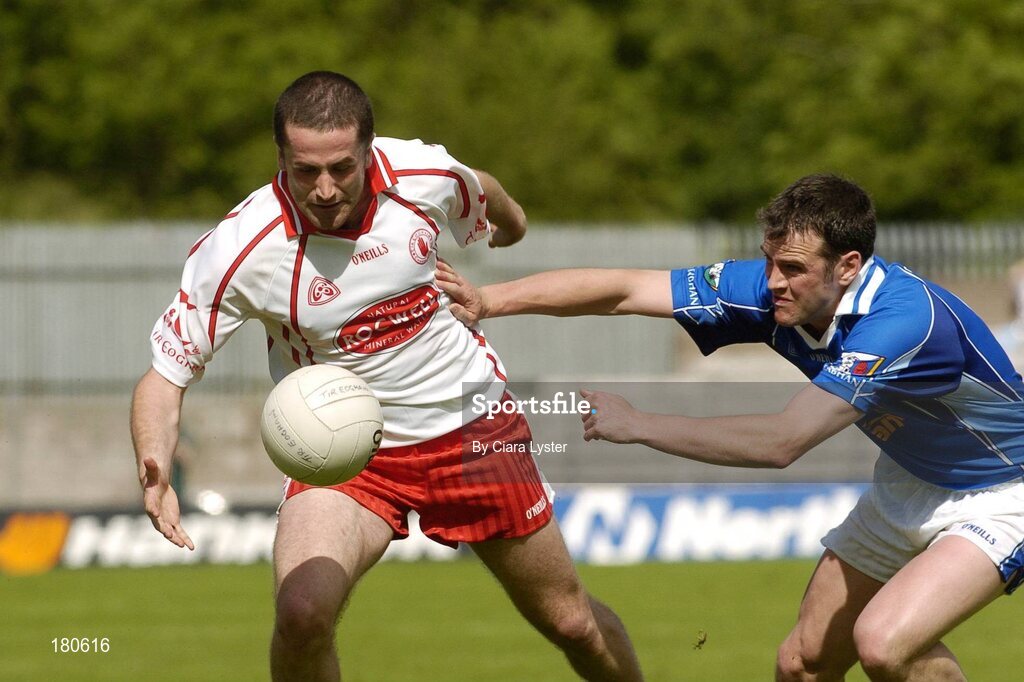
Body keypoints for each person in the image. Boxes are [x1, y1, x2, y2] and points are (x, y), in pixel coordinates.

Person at [130, 71, 642, 682]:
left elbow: (479, 186)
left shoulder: (423, 174)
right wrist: (155, 466)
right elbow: (165, 377)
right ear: (281, 158)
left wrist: (512, 224)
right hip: (345, 454)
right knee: (301, 614)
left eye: (341, 168)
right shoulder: (238, 249)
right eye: (305, 171)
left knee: (571, 623)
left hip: (471, 425)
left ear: (369, 151)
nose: (324, 188)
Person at [436, 173, 1024, 682]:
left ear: (848, 266)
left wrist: (640, 424)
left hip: (1004, 491)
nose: (773, 281)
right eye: (770, 260)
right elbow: (628, 289)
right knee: (802, 664)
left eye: (793, 269)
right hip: (909, 480)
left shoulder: (904, 322)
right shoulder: (778, 289)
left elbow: (783, 442)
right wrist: (488, 299)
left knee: (884, 644)